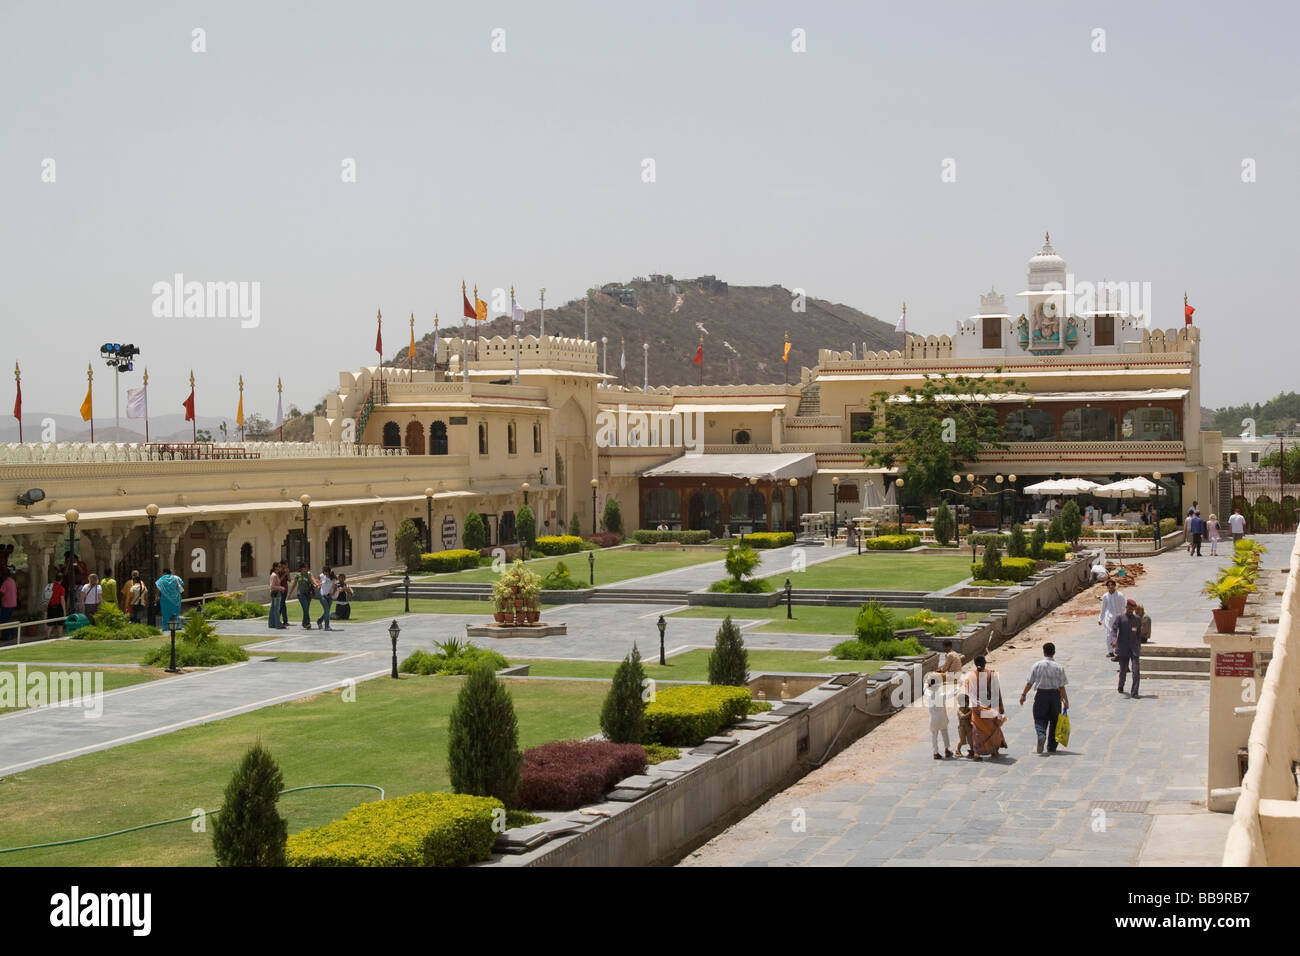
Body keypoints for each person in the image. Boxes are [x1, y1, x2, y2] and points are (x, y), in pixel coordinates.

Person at [1019, 642, 1069, 754]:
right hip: (1055, 696)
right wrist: (1066, 701)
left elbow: (1030, 682)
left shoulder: (1037, 665)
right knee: (1055, 721)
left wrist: (1023, 694)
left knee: (1039, 717)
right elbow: (1062, 687)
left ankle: (1041, 735)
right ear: (1054, 652)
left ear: (1044, 652)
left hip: (1041, 695)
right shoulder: (1059, 667)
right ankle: (1051, 747)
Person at [963, 656, 1006, 760]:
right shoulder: (992, 675)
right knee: (993, 729)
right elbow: (997, 693)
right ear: (985, 663)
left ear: (974, 663)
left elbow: (968, 693)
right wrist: (1001, 706)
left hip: (977, 709)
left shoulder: (970, 676)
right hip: (991, 708)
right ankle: (994, 749)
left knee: (977, 731)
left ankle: (977, 753)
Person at [1115, 599, 1143, 698]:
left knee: (1136, 671)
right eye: (1129, 608)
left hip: (1134, 649)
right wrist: (1114, 641)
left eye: (1133, 609)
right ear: (1126, 607)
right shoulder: (1120, 618)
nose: (1131, 610)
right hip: (1123, 648)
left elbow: (1139, 633)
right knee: (1123, 670)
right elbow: (1114, 629)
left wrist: (1138, 645)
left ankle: (1135, 692)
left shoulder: (1137, 619)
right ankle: (1120, 685)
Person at [925, 672, 953, 760]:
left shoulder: (927, 693)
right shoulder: (940, 695)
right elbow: (950, 694)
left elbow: (926, 686)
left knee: (934, 735)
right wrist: (958, 688)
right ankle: (947, 749)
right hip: (942, 717)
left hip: (933, 718)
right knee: (944, 732)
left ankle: (935, 752)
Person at [1098, 576, 1125, 659]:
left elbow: (1123, 607)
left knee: (1117, 635)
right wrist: (1100, 618)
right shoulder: (1105, 596)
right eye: (1108, 585)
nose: (1110, 587)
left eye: (1111, 585)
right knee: (1108, 635)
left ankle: (1118, 651)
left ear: (1114, 585)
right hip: (1108, 619)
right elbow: (1103, 608)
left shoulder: (1120, 595)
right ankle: (1110, 651)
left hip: (1118, 617)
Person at [294, 563, 317, 629]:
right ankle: (308, 623)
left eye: (307, 568)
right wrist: (290, 593)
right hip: (300, 594)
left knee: (306, 609)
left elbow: (313, 580)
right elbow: (294, 584)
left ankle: (304, 622)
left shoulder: (309, 574)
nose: (306, 569)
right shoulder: (298, 575)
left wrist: (316, 584)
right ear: (301, 568)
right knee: (305, 608)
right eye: (305, 568)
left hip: (308, 593)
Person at [0, 567, 18, 641]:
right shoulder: (12, 581)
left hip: (7, 604)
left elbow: (1, 593)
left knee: (5, 621)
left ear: (4, 575)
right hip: (13, 603)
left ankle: (14, 632)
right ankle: (6, 636)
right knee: (8, 620)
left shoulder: (5, 582)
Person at [316, 565, 335, 631]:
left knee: (327, 611)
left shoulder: (333, 578)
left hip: (329, 596)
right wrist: (319, 584)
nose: (325, 573)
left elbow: (335, 587)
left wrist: (331, 594)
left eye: (326, 572)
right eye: (324, 572)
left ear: (329, 572)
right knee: (327, 610)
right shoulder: (322, 576)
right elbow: (318, 578)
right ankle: (327, 626)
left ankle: (319, 621)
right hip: (322, 595)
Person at [268, 563, 285, 630]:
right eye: (278, 567)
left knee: (273, 609)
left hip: (275, 593)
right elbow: (272, 586)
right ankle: (278, 624)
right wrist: (281, 588)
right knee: (276, 609)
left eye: (280, 567)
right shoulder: (274, 575)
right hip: (276, 593)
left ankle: (272, 623)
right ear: (275, 567)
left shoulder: (275, 575)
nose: (279, 568)